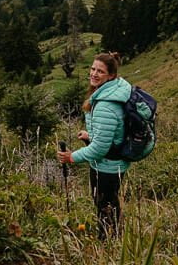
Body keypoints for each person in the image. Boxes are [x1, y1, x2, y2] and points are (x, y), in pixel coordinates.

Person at [56, 52, 131, 238]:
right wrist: (91, 135)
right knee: (109, 204)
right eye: (93, 68)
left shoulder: (106, 104)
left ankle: (108, 242)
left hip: (107, 166)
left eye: (100, 71)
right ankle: (112, 238)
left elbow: (99, 149)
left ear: (111, 76)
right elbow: (111, 132)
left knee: (105, 206)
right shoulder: (112, 91)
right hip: (113, 163)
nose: (94, 74)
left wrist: (71, 156)